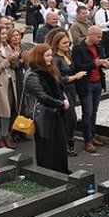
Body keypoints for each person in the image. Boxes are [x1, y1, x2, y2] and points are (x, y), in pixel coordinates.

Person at [23, 43, 70, 173]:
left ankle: (61, 169)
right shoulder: (32, 74)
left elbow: (60, 87)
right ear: (39, 57)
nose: (51, 58)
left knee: (60, 142)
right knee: (46, 146)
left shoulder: (50, 70)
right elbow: (42, 96)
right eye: (47, 56)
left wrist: (64, 98)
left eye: (51, 55)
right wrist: (60, 103)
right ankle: (47, 173)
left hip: (56, 112)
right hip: (43, 115)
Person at [72, 26, 109, 153]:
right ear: (91, 35)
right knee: (87, 112)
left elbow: (100, 59)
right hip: (86, 83)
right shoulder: (78, 49)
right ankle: (87, 140)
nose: (100, 39)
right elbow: (78, 67)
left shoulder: (98, 47)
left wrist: (104, 62)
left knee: (94, 111)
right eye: (98, 37)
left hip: (97, 81)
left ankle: (92, 136)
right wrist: (94, 64)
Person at [51, 31, 86, 158]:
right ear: (57, 44)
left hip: (71, 89)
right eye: (64, 43)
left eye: (68, 42)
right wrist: (75, 77)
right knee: (70, 118)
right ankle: (66, 144)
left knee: (69, 118)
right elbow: (58, 78)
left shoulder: (67, 55)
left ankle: (68, 143)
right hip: (63, 90)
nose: (67, 45)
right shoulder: (56, 59)